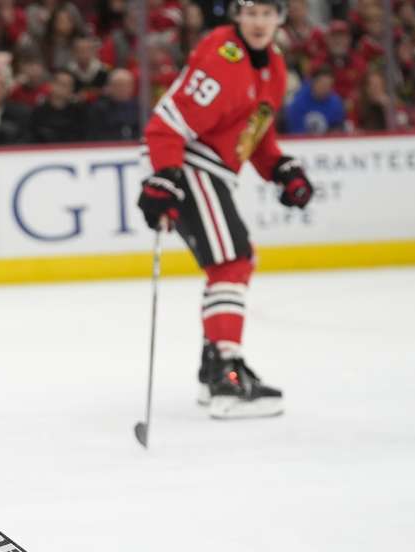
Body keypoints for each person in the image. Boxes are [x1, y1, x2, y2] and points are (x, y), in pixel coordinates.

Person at [136, 0, 314, 419]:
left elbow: (255, 135)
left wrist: (281, 169)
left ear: (280, 18)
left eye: (267, 14)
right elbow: (167, 123)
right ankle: (225, 376)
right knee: (232, 261)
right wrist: (164, 176)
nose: (258, 22)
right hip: (190, 164)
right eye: (251, 13)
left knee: (232, 262)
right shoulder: (223, 55)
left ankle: (214, 368)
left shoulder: (274, 64)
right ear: (237, 16)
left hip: (214, 169)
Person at [284, 65, 346, 133]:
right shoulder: (298, 102)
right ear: (314, 83)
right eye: (323, 85)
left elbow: (337, 129)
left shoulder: (336, 104)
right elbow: (295, 131)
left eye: (329, 86)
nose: (325, 89)